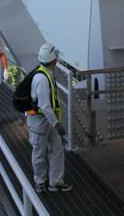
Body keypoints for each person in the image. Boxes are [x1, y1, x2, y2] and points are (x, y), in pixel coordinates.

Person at [27, 43, 73, 193]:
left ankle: (55, 182)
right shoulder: (42, 79)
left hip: (47, 120)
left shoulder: (45, 73)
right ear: (53, 61)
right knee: (39, 152)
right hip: (40, 121)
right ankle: (40, 182)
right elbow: (45, 106)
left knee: (57, 149)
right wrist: (57, 124)